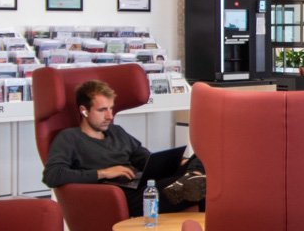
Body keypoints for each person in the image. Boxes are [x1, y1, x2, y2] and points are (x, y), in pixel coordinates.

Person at [42, 79, 205, 217]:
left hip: (141, 184)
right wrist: (103, 173)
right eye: (102, 110)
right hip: (122, 196)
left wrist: (178, 163)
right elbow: (52, 175)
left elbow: (144, 159)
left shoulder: (116, 131)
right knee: (206, 184)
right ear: (83, 111)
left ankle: (193, 177)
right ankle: (191, 182)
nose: (109, 116)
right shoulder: (69, 137)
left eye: (111, 109)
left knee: (204, 155)